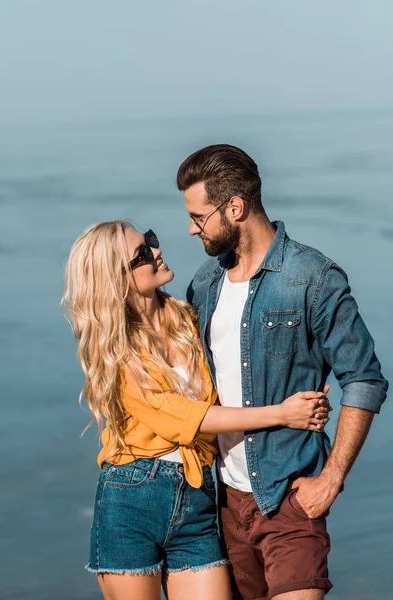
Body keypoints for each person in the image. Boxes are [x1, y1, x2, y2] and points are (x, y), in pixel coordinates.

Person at [62, 220, 331, 600]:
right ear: (116, 279)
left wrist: (304, 383)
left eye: (150, 240)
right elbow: (190, 419)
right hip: (132, 501)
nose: (156, 252)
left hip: (199, 499)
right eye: (142, 254)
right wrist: (283, 413)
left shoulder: (189, 318)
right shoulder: (114, 350)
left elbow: (240, 366)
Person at [177, 144, 389, 600]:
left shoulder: (313, 277)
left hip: (290, 500)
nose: (191, 229)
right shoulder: (204, 285)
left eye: (198, 217)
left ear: (234, 207)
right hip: (224, 504)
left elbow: (365, 379)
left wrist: (330, 480)